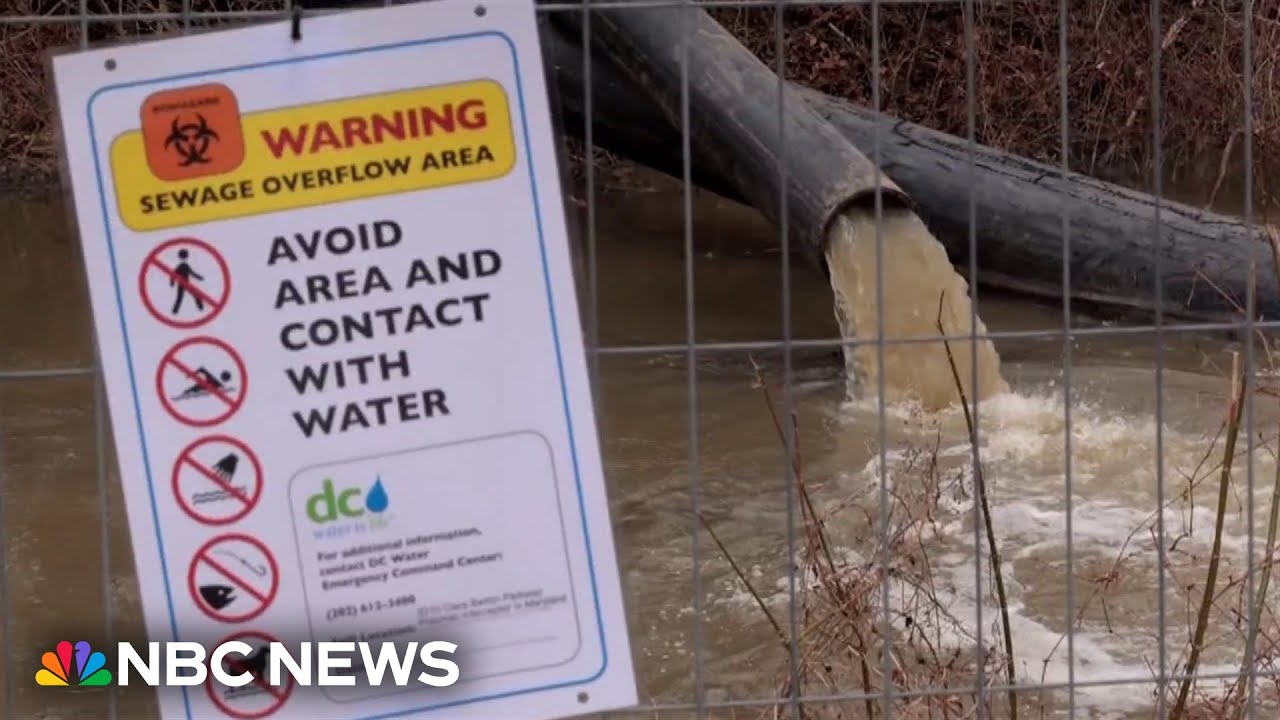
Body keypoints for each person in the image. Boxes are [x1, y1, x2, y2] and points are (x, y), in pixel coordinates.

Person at [171, 249, 205, 315]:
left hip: (185, 284)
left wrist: (199, 277)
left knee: (185, 296)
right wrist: (172, 282)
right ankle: (175, 311)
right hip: (183, 284)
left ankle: (175, 311)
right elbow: (174, 275)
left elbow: (192, 273)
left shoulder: (184, 266)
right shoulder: (181, 266)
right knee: (181, 297)